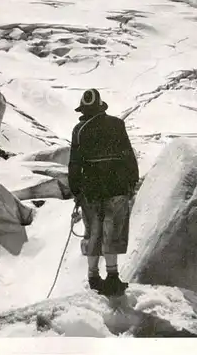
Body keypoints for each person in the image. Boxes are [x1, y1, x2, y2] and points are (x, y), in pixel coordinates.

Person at [68, 88, 139, 296]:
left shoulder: (79, 130)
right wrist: (131, 182)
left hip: (90, 191)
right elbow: (128, 156)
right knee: (113, 233)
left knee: (93, 234)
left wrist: (76, 191)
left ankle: (93, 277)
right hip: (116, 189)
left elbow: (74, 164)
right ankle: (113, 277)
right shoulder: (117, 125)